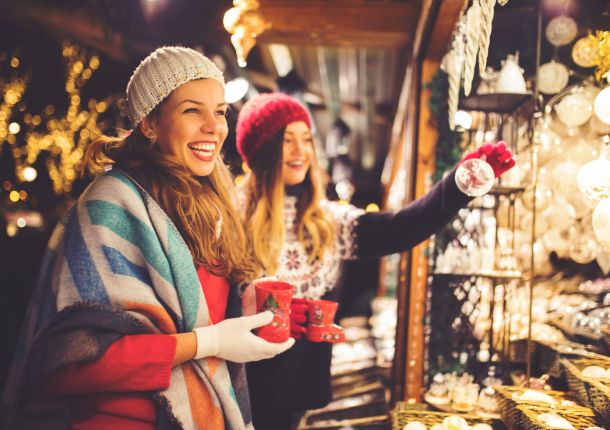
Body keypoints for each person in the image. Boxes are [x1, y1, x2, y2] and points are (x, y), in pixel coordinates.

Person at [1, 46, 294, 430]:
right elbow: (69, 364)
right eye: (192, 110)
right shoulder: (110, 207)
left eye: (220, 112)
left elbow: (200, 315)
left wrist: (246, 307)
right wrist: (211, 343)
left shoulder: (209, 207)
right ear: (150, 123)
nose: (213, 126)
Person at [234, 92, 516, 429]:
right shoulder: (233, 220)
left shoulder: (328, 222)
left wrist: (458, 186)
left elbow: (398, 229)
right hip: (239, 390)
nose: (301, 151)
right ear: (261, 151)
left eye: (307, 139)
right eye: (286, 140)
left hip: (298, 396)